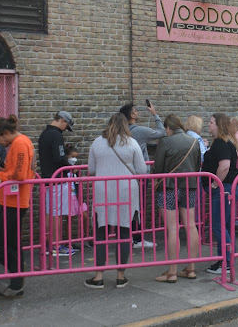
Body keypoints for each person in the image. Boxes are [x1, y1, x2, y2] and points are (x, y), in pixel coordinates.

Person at [86, 113, 147, 289]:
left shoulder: (97, 142)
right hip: (126, 190)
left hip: (103, 191)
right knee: (124, 233)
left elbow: (91, 169)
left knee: (101, 233)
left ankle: (98, 276)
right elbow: (142, 170)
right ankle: (120, 276)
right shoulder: (131, 143)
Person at [0, 115, 36, 298]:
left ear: (6, 133)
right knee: (9, 243)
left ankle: (16, 274)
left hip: (14, 202)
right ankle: (16, 280)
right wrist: (1, 169)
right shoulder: (20, 143)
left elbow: (20, 175)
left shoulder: (20, 143)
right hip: (10, 200)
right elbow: (16, 171)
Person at [151, 114, 201, 283]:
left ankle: (172, 272)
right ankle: (191, 268)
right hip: (190, 187)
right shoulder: (194, 141)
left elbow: (157, 169)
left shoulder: (165, 141)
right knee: (191, 225)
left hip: (169, 188)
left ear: (168, 128)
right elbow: (197, 165)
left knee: (173, 229)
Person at [120, 102, 165, 248]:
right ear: (132, 115)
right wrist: (154, 114)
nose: (137, 113)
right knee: (138, 207)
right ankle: (137, 238)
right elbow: (161, 132)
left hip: (124, 174)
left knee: (127, 206)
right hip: (139, 175)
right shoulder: (139, 130)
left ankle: (128, 237)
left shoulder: (121, 131)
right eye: (135, 111)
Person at [202, 113, 238, 275]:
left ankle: (225, 262)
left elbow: (224, 166)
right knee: (223, 225)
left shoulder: (221, 143)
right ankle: (223, 260)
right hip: (227, 187)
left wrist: (213, 183)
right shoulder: (223, 142)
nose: (208, 125)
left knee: (219, 225)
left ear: (219, 125)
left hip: (224, 188)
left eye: (211, 122)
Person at [38, 111, 76, 257]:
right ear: (62, 120)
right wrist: (70, 167)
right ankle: (57, 246)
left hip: (48, 179)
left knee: (50, 212)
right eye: (66, 126)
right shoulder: (56, 135)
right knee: (58, 214)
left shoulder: (44, 134)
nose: (65, 129)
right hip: (58, 179)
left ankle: (49, 244)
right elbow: (59, 157)